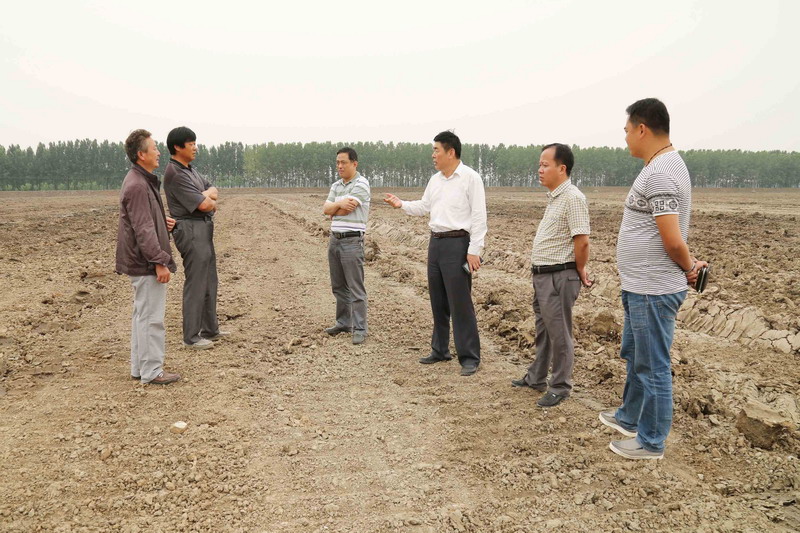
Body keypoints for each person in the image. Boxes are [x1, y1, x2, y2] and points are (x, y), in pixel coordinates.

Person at [600, 98, 707, 459]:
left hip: (652, 289)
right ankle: (629, 417)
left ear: (642, 129)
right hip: (640, 285)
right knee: (636, 356)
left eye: (627, 130)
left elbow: (672, 239)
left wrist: (689, 266)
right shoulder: (660, 166)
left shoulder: (661, 172)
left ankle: (651, 441)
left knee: (653, 366)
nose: (625, 137)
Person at [384, 131, 487, 376]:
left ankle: (469, 357)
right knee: (438, 300)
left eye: (436, 150)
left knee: (460, 303)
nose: (433, 155)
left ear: (450, 152)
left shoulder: (470, 178)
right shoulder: (435, 180)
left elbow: (479, 216)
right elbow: (425, 206)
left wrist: (474, 250)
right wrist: (402, 204)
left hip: (458, 244)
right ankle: (440, 349)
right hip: (436, 243)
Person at [511, 143, 591, 407]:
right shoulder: (556, 198)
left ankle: (560, 386)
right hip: (544, 275)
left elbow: (582, 241)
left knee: (559, 333)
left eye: (545, 165)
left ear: (562, 168)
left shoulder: (573, 198)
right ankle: (536, 377)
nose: (540, 169)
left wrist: (580, 268)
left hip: (559, 275)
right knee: (544, 331)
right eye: (540, 164)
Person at [115, 129, 180, 385]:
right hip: (146, 263)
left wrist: (162, 222)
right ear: (141, 154)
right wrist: (159, 261)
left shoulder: (139, 180)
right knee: (151, 318)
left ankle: (140, 368)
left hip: (142, 261)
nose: (159, 152)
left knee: (142, 316)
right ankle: (152, 371)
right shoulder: (138, 185)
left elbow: (144, 221)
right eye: (154, 148)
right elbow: (143, 229)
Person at [163, 127, 229, 349]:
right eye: (191, 144)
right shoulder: (175, 173)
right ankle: (191, 337)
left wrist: (206, 196)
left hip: (203, 228)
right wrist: (206, 199)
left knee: (209, 280)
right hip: (190, 230)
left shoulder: (190, 171)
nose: (195, 148)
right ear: (177, 147)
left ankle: (210, 329)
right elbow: (204, 205)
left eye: (195, 143)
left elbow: (214, 191)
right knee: (197, 282)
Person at [322, 147, 371, 345]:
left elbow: (344, 210)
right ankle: (343, 323)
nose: (340, 166)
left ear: (354, 164)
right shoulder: (336, 185)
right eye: (337, 163)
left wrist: (335, 208)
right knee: (339, 286)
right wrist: (337, 206)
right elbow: (326, 209)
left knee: (355, 287)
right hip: (335, 240)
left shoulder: (362, 183)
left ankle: (360, 328)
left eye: (343, 162)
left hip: (352, 241)